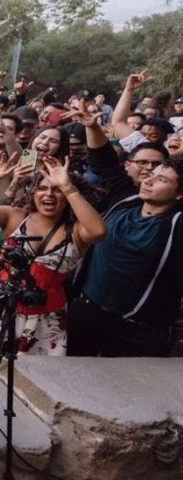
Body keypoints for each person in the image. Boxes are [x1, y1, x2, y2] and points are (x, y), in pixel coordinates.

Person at [0, 151, 106, 373]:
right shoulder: (16, 216)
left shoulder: (76, 231)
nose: (49, 194)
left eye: (56, 190)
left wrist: (67, 186)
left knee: (31, 373)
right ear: (32, 192)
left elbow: (99, 231)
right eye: (42, 188)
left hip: (46, 312)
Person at [67, 108, 183, 357]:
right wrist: (92, 126)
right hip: (85, 312)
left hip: (137, 332)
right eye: (150, 174)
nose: (150, 179)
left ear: (179, 194)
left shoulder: (177, 226)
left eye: (162, 179)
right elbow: (105, 162)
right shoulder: (125, 200)